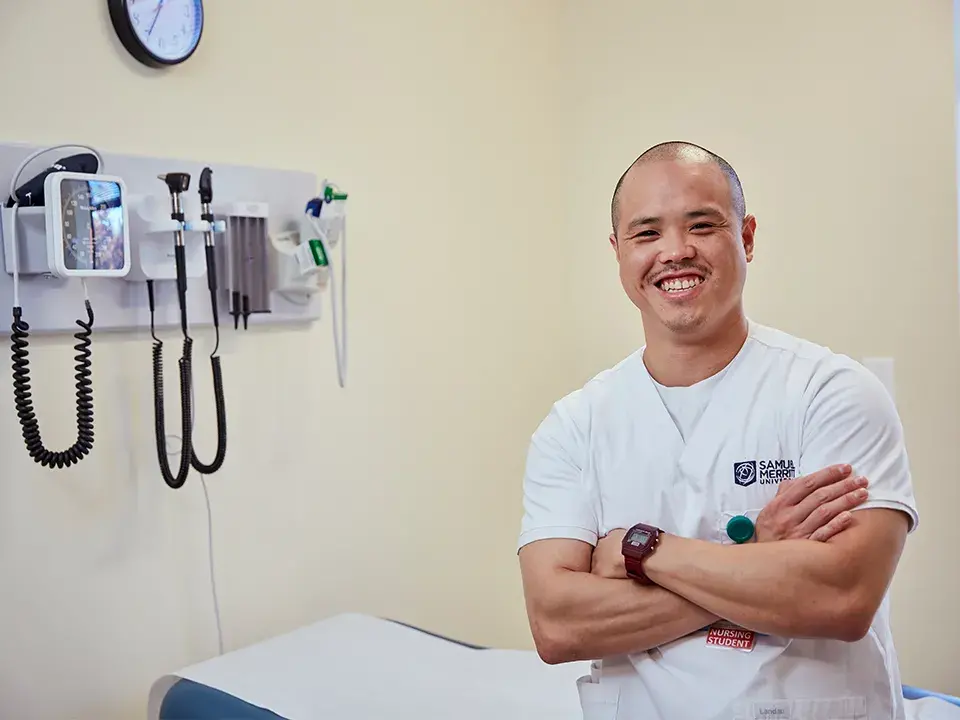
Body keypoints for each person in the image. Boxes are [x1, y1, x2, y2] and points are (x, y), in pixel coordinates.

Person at [516, 141, 919, 720]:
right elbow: (557, 625)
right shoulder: (575, 426)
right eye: (646, 233)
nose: (675, 253)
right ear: (619, 252)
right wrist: (759, 553)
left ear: (747, 236)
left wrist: (641, 553)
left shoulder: (831, 393)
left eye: (701, 225)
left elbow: (841, 597)